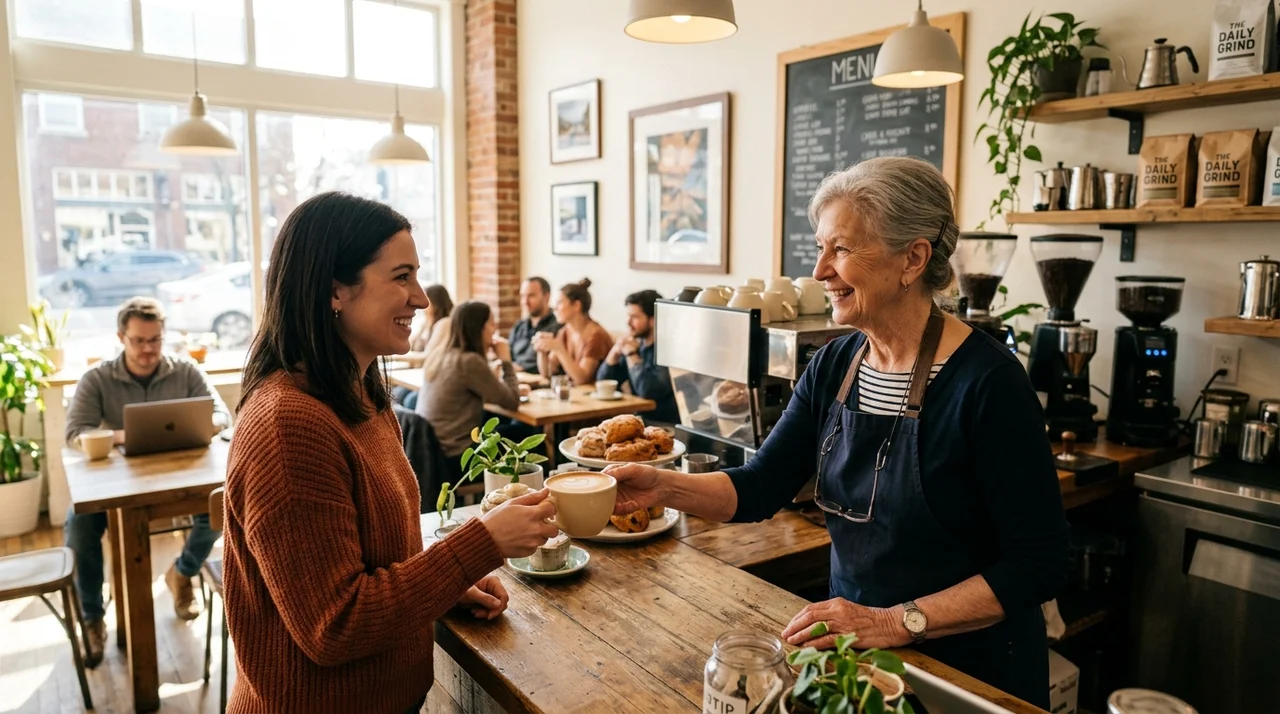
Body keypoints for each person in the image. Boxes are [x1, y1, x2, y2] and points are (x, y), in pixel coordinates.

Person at [604, 157, 1069, 709]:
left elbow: (1038, 565)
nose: (821, 269)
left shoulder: (987, 383)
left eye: (841, 249)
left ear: (913, 259)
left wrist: (897, 621)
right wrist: (662, 487)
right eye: (821, 247)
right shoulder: (835, 365)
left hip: (966, 674)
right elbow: (760, 485)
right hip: (858, 660)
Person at [225, 192, 558, 713]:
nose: (422, 298)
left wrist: (443, 586)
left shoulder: (361, 395)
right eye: (401, 277)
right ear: (335, 290)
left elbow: (372, 559)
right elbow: (334, 627)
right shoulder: (288, 425)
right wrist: (480, 545)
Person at [64, 297, 232, 667]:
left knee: (223, 503)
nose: (148, 349)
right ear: (121, 337)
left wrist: (208, 423)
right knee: (79, 526)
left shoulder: (185, 370)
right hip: (115, 481)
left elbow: (221, 413)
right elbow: (75, 432)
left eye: (155, 340)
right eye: (139, 340)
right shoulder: (97, 379)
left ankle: (183, 572)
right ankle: (92, 618)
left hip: (184, 473)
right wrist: (125, 436)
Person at [417, 300, 524, 483]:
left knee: (507, 427)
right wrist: (506, 360)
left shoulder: (441, 354)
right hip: (457, 458)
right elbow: (512, 401)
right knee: (526, 433)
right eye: (491, 324)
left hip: (432, 454)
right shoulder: (469, 362)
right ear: (479, 328)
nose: (494, 329)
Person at [596, 289, 679, 424]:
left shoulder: (667, 351)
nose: (628, 323)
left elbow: (649, 390)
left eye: (634, 317)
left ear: (653, 320)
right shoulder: (636, 344)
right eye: (628, 316)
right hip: (640, 421)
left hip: (665, 425)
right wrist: (613, 354)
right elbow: (603, 384)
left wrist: (631, 355)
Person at [535, 278, 611, 386]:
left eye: (560, 303)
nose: (555, 308)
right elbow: (548, 373)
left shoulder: (596, 336)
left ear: (576, 306)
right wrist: (542, 350)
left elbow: (582, 378)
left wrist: (559, 349)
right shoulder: (565, 331)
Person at [508, 277, 559, 372]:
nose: (525, 302)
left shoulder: (558, 327)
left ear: (546, 296)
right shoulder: (519, 326)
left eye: (531, 296)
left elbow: (554, 365)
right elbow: (508, 354)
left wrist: (521, 368)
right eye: (522, 296)